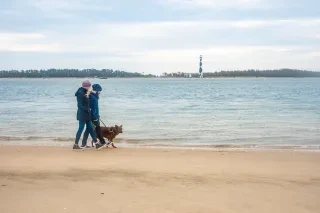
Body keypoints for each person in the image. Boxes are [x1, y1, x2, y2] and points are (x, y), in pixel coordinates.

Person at [81, 84, 110, 149]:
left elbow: (95, 108)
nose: (100, 92)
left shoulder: (94, 96)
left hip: (94, 116)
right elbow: (91, 109)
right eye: (99, 91)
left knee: (88, 129)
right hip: (92, 117)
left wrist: (97, 115)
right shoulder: (92, 97)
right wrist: (95, 117)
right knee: (98, 128)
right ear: (96, 90)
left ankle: (83, 144)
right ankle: (102, 142)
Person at [73, 80, 98, 150]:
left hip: (86, 114)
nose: (90, 87)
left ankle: (96, 143)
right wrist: (87, 109)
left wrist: (91, 92)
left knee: (90, 128)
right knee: (80, 129)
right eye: (90, 86)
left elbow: (87, 96)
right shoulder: (80, 93)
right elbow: (79, 105)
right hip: (82, 114)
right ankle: (75, 144)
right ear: (87, 86)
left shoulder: (84, 91)